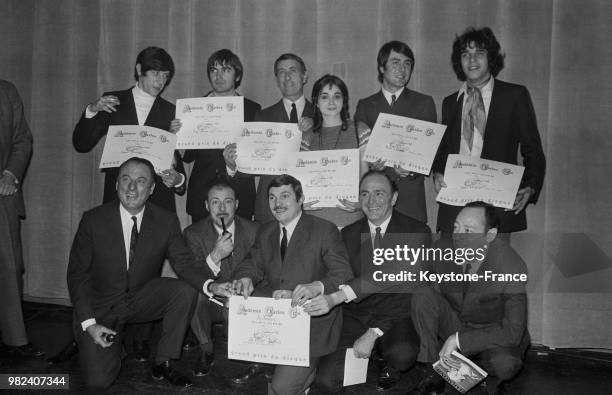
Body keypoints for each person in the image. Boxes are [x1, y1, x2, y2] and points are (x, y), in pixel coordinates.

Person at [66, 157, 230, 390]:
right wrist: (89, 323)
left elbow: (183, 264)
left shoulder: (165, 220)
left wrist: (211, 286)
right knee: (99, 381)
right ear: (116, 184)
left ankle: (163, 361)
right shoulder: (93, 220)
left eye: (141, 181)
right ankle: (105, 342)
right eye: (126, 179)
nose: (132, 187)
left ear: (152, 188)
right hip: (100, 307)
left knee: (183, 291)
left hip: (139, 299)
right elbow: (77, 275)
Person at [309, 171, 431, 392]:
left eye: (379, 194)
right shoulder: (348, 233)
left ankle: (384, 356)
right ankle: (369, 355)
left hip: (396, 315)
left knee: (402, 355)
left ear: (394, 198)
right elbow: (340, 275)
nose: (371, 201)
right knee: (326, 380)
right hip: (356, 315)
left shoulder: (417, 231)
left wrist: (374, 332)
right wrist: (315, 287)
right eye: (364, 194)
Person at [231, 174, 353, 394]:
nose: (277, 204)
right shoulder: (266, 230)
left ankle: (308, 374)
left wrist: (317, 286)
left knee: (282, 387)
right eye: (272, 197)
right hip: (277, 319)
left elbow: (344, 274)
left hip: (312, 321)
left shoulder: (324, 229)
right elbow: (252, 262)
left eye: (285, 196)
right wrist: (246, 277)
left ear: (301, 199)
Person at [432, 27, 546, 235]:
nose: (472, 60)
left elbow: (533, 150)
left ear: (491, 58)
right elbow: (444, 150)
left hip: (496, 207)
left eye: (479, 53)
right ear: (460, 61)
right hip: (455, 206)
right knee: (450, 266)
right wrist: (438, 172)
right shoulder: (450, 103)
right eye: (465, 54)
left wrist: (529, 186)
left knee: (495, 267)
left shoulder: (514, 96)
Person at [409, 202, 529, 395]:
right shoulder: (442, 250)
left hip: (494, 331)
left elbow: (513, 331)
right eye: (456, 227)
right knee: (422, 295)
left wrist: (459, 340)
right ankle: (433, 374)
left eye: (468, 230)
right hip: (459, 321)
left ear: (489, 235)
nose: (458, 235)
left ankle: (490, 382)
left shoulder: (511, 265)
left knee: (505, 364)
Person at [72, 46, 186, 213]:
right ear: (139, 69)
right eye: (156, 73)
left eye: (165, 76)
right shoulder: (113, 102)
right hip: (118, 200)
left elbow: (177, 166)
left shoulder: (171, 111)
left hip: (158, 204)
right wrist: (92, 110)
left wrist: (179, 180)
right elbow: (81, 144)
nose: (160, 82)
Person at [224, 53, 314, 224]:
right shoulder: (262, 117)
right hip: (270, 210)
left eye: (293, 70)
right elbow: (248, 169)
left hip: (311, 205)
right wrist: (232, 165)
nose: (287, 77)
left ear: (305, 76)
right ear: (276, 79)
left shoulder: (322, 115)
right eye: (281, 72)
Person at [355, 41, 437, 224]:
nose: (402, 69)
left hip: (409, 198)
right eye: (395, 62)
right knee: (375, 251)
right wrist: (371, 164)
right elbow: (358, 152)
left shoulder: (423, 103)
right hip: (375, 200)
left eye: (407, 64)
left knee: (411, 251)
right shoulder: (366, 106)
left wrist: (412, 170)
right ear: (381, 67)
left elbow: (431, 152)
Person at [174, 49, 261, 222]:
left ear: (237, 76)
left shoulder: (253, 109)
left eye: (226, 70)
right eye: (214, 70)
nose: (218, 76)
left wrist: (232, 164)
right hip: (202, 196)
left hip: (239, 195)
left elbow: (255, 157)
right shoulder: (193, 109)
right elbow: (188, 157)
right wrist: (176, 137)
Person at [182, 180, 259, 375]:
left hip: (245, 295)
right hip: (212, 298)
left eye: (228, 201)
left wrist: (242, 285)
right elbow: (193, 274)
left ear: (237, 204)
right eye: (215, 202)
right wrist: (215, 255)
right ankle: (205, 349)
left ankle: (246, 349)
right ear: (207, 206)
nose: (222, 208)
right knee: (189, 292)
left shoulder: (255, 230)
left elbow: (261, 267)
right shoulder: (192, 233)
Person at [0, 79, 42, 358]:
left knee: (10, 267)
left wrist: (10, 174)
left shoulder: (7, 91)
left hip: (2, 193)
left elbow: (22, 139)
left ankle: (14, 338)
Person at [300, 74, 364, 228]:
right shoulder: (307, 136)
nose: (331, 102)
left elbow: (365, 174)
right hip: (315, 221)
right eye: (324, 97)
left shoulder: (359, 129)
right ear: (316, 102)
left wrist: (362, 201)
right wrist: (301, 202)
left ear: (344, 100)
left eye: (337, 96)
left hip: (351, 219)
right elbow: (301, 178)